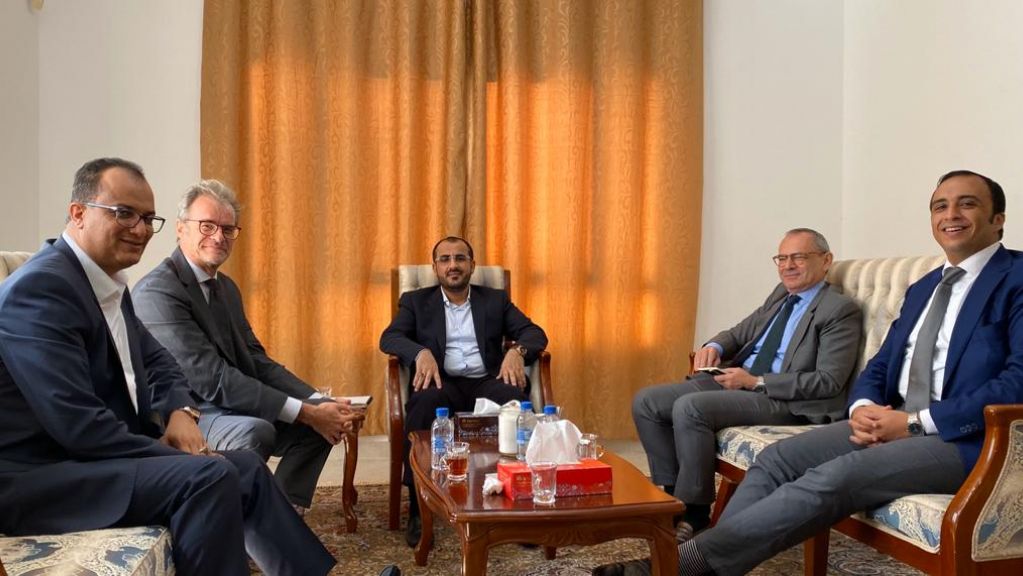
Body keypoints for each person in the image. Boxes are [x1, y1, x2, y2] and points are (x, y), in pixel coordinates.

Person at [599, 169, 1023, 576]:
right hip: (891, 417)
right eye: (939, 206)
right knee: (776, 460)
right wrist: (862, 405)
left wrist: (914, 422)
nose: (950, 214)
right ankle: (707, 566)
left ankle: (675, 567)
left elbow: (1016, 381)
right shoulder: (925, 288)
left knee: (834, 477)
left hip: (971, 438)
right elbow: (882, 362)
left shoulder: (1016, 278)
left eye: (967, 204)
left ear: (998, 219)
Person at [0, 158, 339, 576]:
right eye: (124, 213)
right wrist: (171, 453)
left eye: (147, 218)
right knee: (210, 475)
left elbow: (159, 360)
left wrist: (181, 410)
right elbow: (77, 425)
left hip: (87, 459)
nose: (140, 229)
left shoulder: (104, 282)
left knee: (247, 468)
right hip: (43, 479)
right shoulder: (41, 289)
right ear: (78, 212)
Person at [132, 180, 357, 513]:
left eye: (227, 229)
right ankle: (239, 520)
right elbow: (213, 380)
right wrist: (308, 412)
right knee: (258, 430)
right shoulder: (158, 292)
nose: (219, 237)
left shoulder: (225, 288)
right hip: (187, 413)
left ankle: (280, 514)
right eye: (207, 226)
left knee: (316, 429)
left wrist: (317, 402)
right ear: (180, 229)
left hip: (228, 403)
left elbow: (255, 360)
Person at [632, 228, 863, 536]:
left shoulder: (839, 310)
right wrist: (714, 346)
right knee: (647, 402)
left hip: (787, 399)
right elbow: (740, 332)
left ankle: (696, 513)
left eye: (798, 257)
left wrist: (755, 381)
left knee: (691, 408)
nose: (788, 266)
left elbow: (828, 381)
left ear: (825, 260)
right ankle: (674, 501)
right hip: (738, 378)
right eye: (782, 258)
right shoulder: (782, 294)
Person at [380, 236, 548, 546]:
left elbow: (534, 333)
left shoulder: (494, 300)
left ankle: (522, 505)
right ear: (435, 267)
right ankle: (418, 507)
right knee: (423, 405)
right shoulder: (415, 301)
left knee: (517, 405)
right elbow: (390, 338)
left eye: (460, 258)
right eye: (445, 259)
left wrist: (518, 351)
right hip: (441, 382)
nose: (453, 265)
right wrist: (419, 352)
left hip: (486, 380)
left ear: (472, 265)